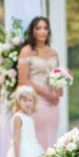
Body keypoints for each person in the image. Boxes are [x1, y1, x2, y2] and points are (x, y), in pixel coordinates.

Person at [17, 16, 63, 149]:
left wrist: (59, 89)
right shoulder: (26, 51)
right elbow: (23, 80)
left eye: (45, 28)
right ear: (33, 31)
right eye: (38, 28)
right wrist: (47, 94)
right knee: (38, 136)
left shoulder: (53, 53)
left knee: (51, 136)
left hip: (52, 102)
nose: (42, 31)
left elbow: (56, 76)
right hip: (35, 100)